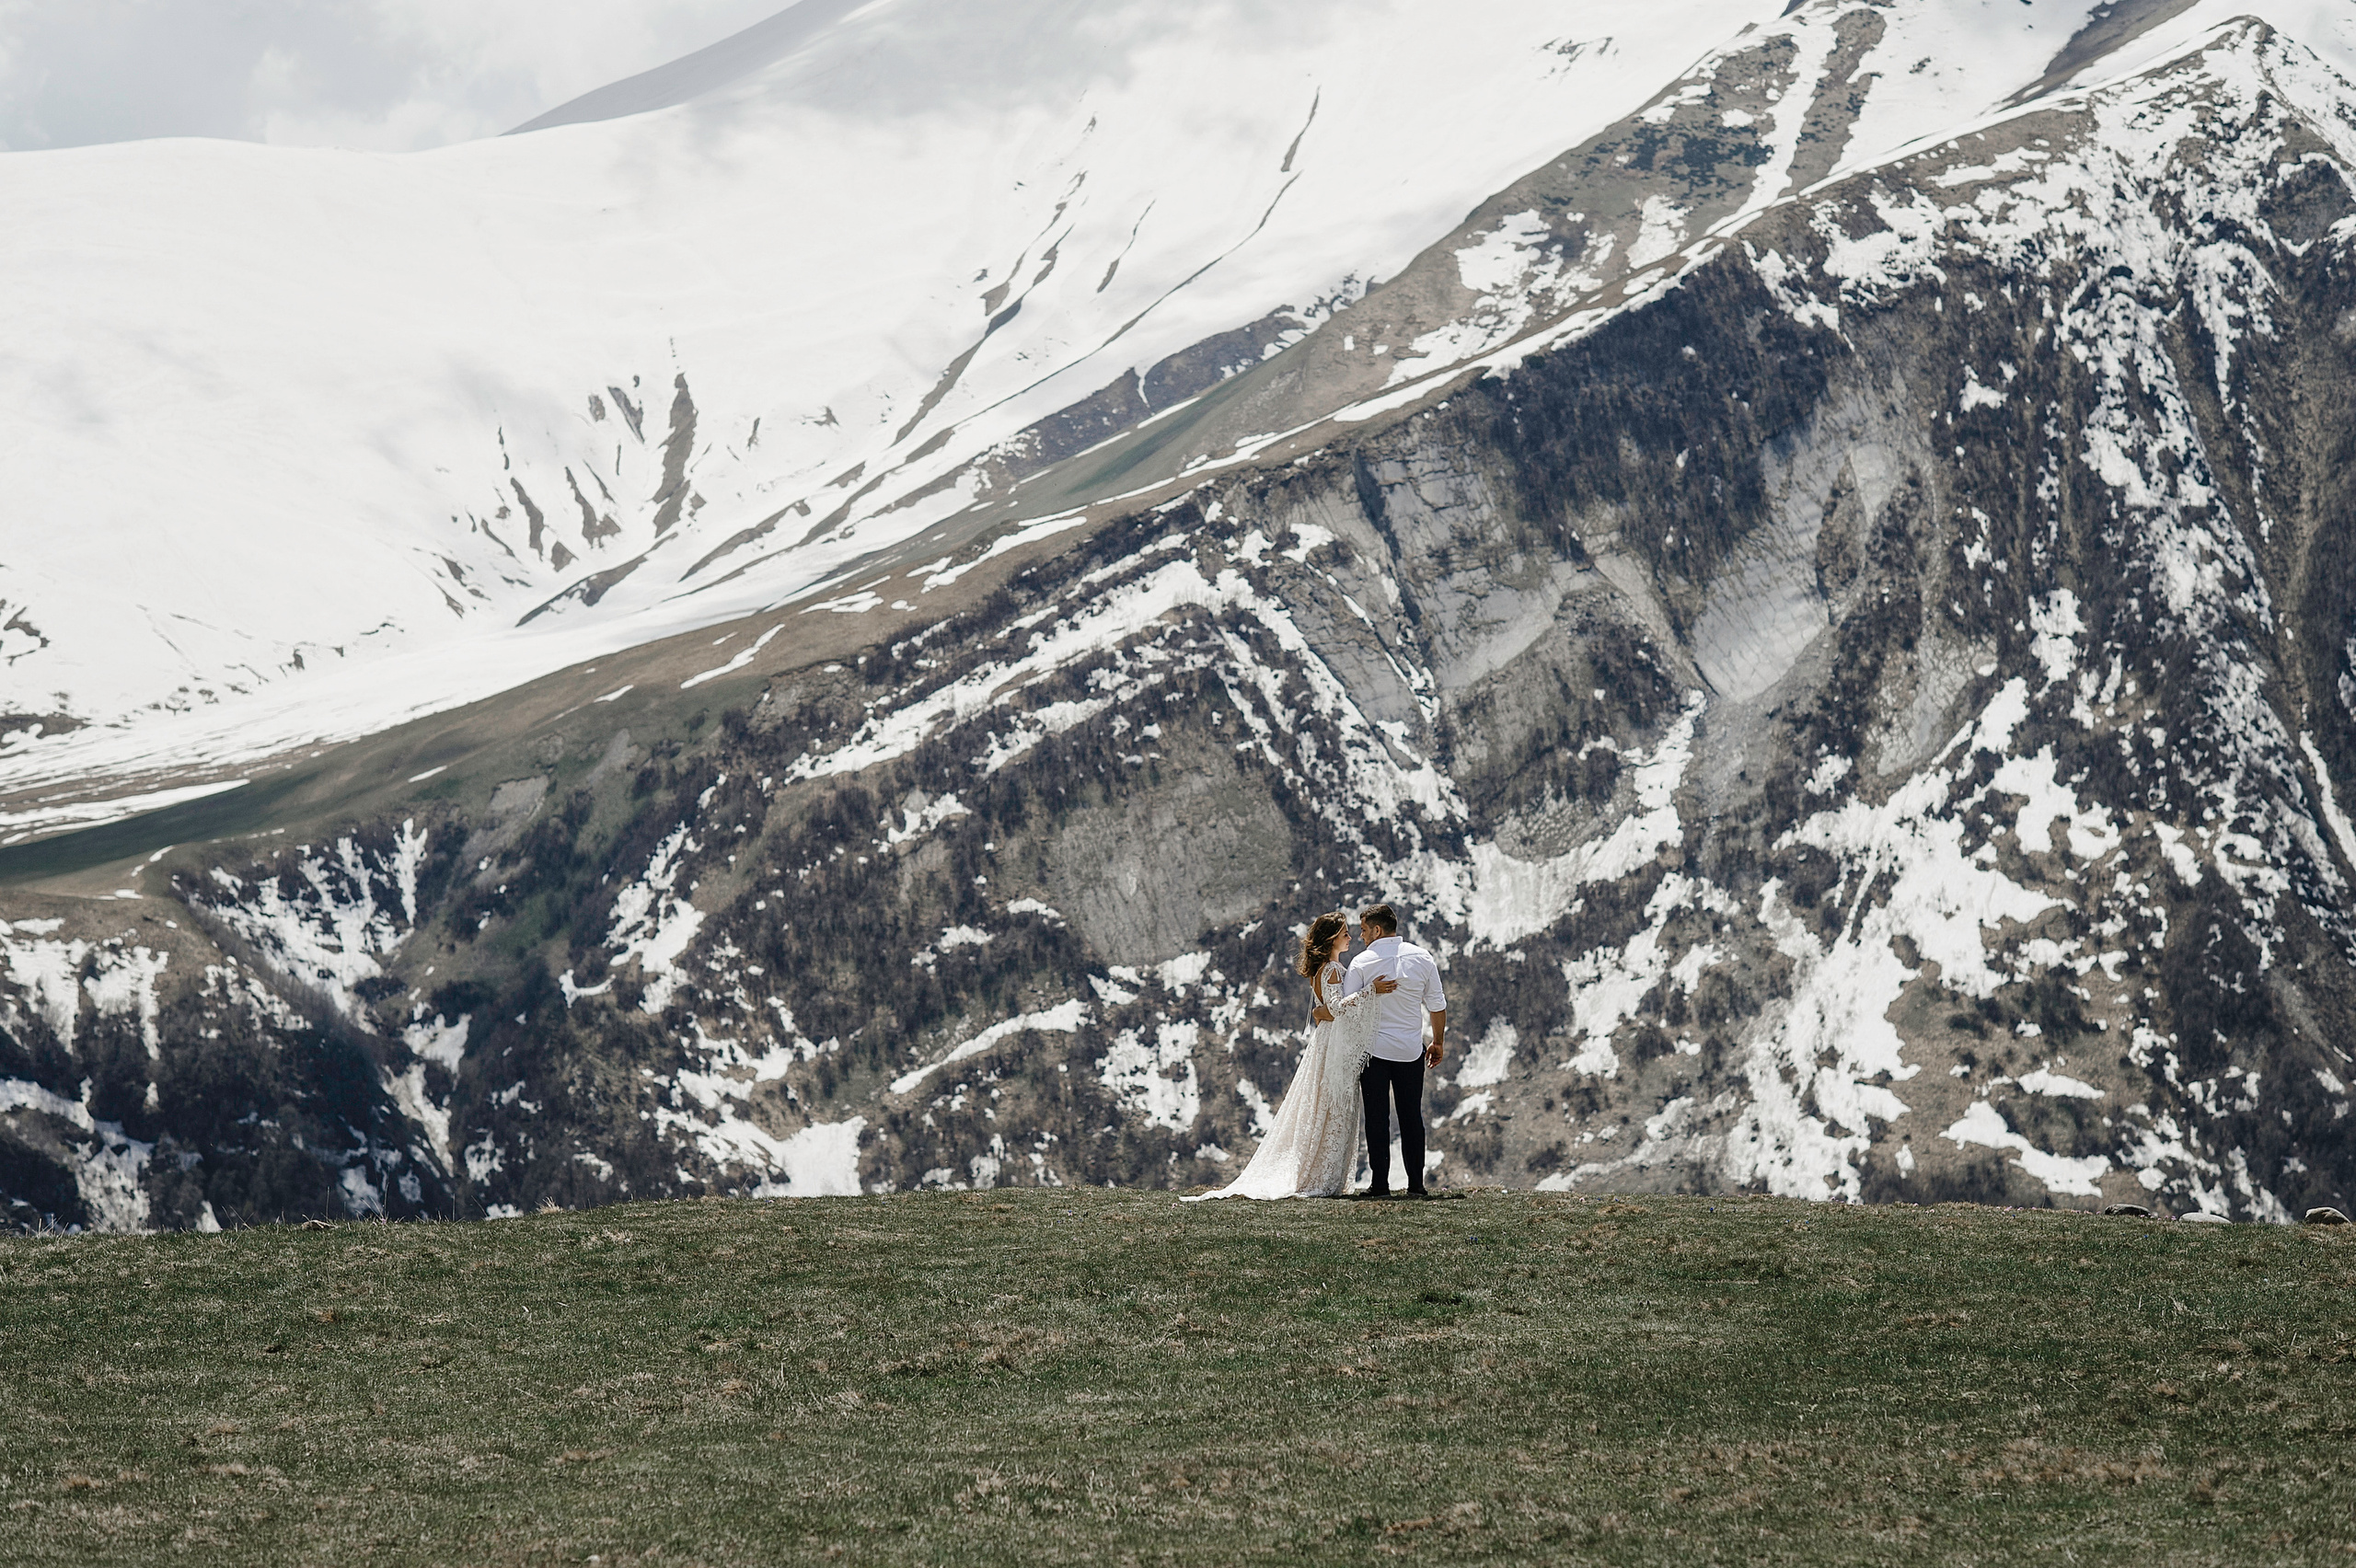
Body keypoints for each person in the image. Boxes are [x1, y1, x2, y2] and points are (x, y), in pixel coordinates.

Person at [1184, 911, 1398, 1201]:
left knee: (1327, 1105)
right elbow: (1334, 1007)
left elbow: (1324, 1010)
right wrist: (1371, 991)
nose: (1350, 937)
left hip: (1326, 1040)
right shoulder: (1333, 969)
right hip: (1332, 1043)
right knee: (1333, 1104)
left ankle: (1320, 1172)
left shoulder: (1323, 968)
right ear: (1333, 938)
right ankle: (1322, 1175)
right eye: (1345, 932)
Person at [1341, 902, 1447, 1199]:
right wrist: (1437, 1042)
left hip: (1373, 1052)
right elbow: (1437, 1005)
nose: (1360, 936)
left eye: (1363, 930)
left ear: (1377, 930)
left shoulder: (1362, 963)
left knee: (1377, 1119)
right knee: (1412, 1117)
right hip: (1411, 1051)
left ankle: (1380, 1186)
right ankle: (1416, 1185)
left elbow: (1347, 1008)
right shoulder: (1422, 957)